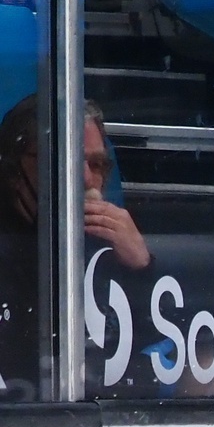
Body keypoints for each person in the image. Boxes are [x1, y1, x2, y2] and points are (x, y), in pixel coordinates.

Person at [0, 95, 151, 397]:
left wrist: (141, 268)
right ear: (15, 172)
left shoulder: (107, 252)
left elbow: (152, 355)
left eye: (96, 164)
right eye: (64, 160)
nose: (84, 178)